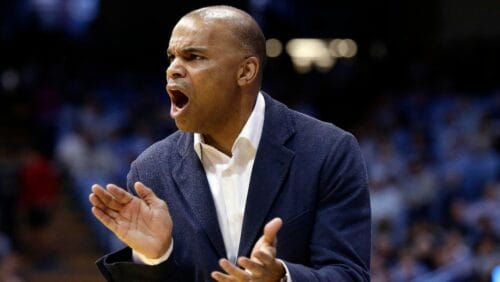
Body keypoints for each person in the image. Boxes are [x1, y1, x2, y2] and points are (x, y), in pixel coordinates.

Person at [89, 5, 371, 281]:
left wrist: (282, 277)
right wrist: (155, 259)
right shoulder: (150, 171)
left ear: (245, 72)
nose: (172, 69)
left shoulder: (328, 151)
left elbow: (350, 274)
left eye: (193, 57)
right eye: (172, 57)